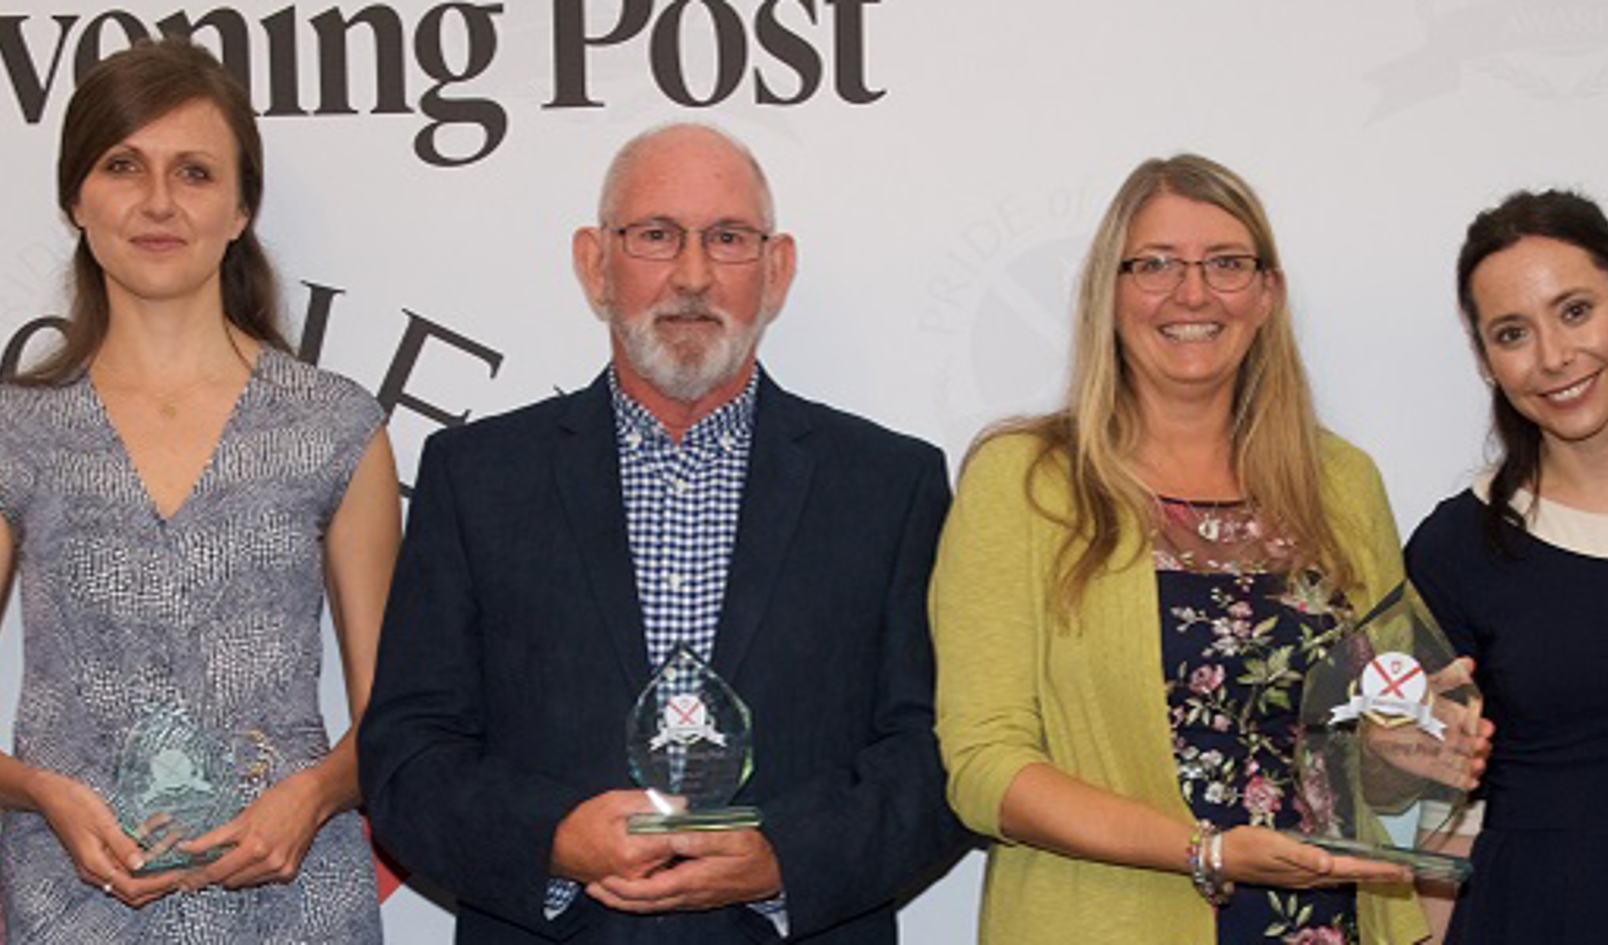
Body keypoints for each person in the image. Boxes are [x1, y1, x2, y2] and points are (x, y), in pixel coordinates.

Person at [358, 122, 965, 943]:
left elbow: (941, 752)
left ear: (776, 268)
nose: (692, 275)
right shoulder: (478, 477)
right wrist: (553, 839)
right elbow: (407, 752)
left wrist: (787, 854)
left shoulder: (890, 485)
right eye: (655, 235)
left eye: (728, 238)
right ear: (593, 262)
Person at [931, 154, 1457, 944]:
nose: (1193, 293)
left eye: (1226, 264)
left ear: (1267, 294)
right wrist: (1203, 852)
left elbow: (1379, 745)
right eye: (1155, 266)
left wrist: (1419, 740)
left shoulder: (1343, 483)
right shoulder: (1025, 482)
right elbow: (983, 766)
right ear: (1108, 293)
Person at [0, 38, 399, 942]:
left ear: (240, 207)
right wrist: (44, 793)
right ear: (77, 196)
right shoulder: (12, 431)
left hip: (296, 907)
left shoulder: (336, 427)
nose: (157, 202)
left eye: (193, 172)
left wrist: (311, 797)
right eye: (122, 165)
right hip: (73, 905)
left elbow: (395, 719)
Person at [1406, 190, 1608, 943]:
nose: (1553, 357)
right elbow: (1437, 814)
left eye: (1575, 310)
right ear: (1486, 358)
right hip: (1538, 912)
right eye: (1512, 332)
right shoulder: (1456, 547)